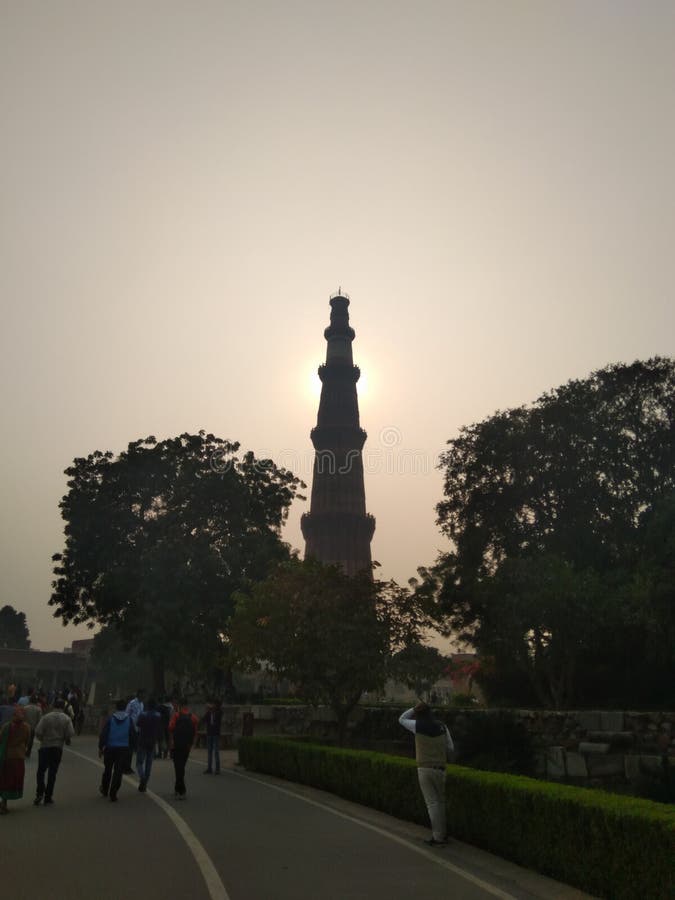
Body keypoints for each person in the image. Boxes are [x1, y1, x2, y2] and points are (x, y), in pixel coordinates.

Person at [399, 701, 454, 846]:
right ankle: (443, 834)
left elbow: (401, 719)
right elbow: (450, 747)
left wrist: (413, 708)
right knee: (441, 803)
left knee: (432, 804)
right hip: (441, 768)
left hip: (424, 768)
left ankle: (437, 837)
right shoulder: (442, 726)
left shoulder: (417, 726)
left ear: (418, 713)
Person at [33, 697, 75, 806]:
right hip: (57, 748)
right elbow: (70, 733)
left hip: (45, 746)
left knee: (41, 771)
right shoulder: (66, 719)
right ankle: (48, 796)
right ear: (63, 708)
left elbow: (38, 731)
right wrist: (65, 739)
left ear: (53, 706)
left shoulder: (46, 717)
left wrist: (43, 739)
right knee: (52, 772)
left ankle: (39, 793)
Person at [99, 700, 133, 802]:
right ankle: (113, 792)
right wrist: (132, 747)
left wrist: (101, 747)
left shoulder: (111, 719)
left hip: (110, 748)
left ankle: (105, 789)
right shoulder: (129, 720)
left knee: (108, 770)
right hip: (123, 748)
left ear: (116, 708)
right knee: (118, 771)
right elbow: (133, 735)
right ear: (125, 707)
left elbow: (104, 734)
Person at [0, 706, 31, 814]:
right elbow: (27, 741)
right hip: (19, 757)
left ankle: (3, 803)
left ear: (13, 716)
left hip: (7, 756)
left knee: (5, 779)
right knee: (13, 780)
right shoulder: (26, 727)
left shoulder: (6, 727)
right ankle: (4, 803)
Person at [168, 699, 198, 800]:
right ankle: (178, 788)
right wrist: (192, 743)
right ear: (187, 706)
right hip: (187, 746)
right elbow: (195, 730)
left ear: (180, 706)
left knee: (178, 767)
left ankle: (181, 790)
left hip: (176, 745)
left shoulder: (176, 716)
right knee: (182, 766)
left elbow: (170, 727)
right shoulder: (193, 717)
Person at [135, 699, 162, 792]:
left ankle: (142, 777)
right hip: (152, 741)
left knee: (139, 762)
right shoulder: (158, 716)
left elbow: (137, 724)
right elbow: (160, 728)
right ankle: (145, 783)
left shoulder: (142, 714)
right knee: (149, 763)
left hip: (142, 740)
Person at [124, 689, 145, 774]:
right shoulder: (132, 703)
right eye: (143, 695)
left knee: (132, 749)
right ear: (139, 694)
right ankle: (125, 767)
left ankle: (128, 767)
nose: (144, 697)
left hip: (138, 729)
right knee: (129, 749)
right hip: (131, 728)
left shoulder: (142, 704)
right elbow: (127, 714)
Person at [202, 699, 222, 775]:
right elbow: (203, 720)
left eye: (214, 704)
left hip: (215, 734)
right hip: (209, 733)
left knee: (216, 751)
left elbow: (217, 719)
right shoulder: (209, 713)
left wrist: (211, 710)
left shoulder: (219, 712)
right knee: (209, 752)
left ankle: (217, 769)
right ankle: (209, 768)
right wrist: (207, 711)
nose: (212, 706)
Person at [23, 694, 43, 759]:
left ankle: (23, 750)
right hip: (33, 727)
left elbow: (22, 717)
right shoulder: (38, 709)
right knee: (31, 740)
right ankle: (28, 752)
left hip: (25, 726)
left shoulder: (25, 708)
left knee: (23, 740)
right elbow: (40, 720)